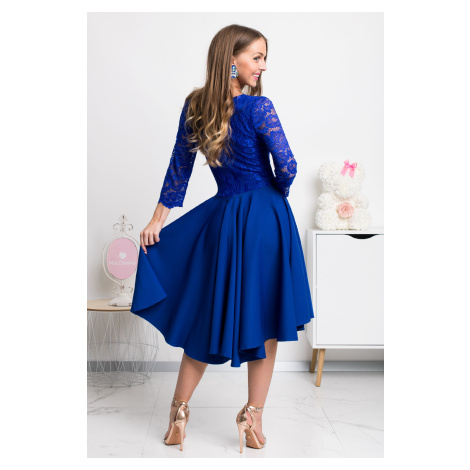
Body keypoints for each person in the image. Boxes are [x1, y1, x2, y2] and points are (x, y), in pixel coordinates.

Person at [130, 24, 314, 453]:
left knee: (207, 314)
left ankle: (178, 412)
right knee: (267, 318)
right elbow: (288, 165)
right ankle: (252, 418)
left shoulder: (196, 106)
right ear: (232, 59)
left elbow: (179, 168)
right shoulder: (258, 107)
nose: (262, 66)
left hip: (225, 219)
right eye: (257, 57)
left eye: (265, 58)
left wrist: (157, 220)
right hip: (265, 218)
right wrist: (275, 193)